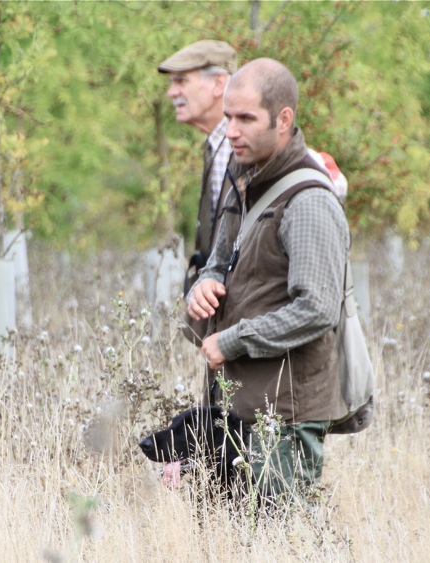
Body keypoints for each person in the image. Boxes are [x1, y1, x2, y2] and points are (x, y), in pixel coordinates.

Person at [181, 58, 351, 502]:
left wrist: (232, 340)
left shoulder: (309, 200)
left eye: (246, 119)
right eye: (228, 118)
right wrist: (204, 285)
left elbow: (317, 309)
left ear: (283, 119)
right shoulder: (244, 181)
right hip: (239, 403)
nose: (231, 131)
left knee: (278, 539)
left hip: (285, 412)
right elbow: (218, 262)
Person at [157, 40, 237, 302]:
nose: (172, 92)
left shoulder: (242, 146)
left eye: (181, 81)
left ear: (218, 84)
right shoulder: (216, 144)